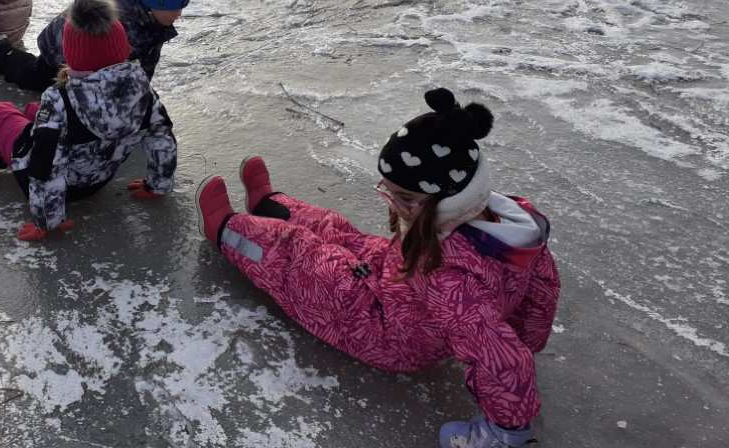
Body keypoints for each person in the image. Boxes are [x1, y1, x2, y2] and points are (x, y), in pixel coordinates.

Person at [194, 88, 560, 448]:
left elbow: (504, 361)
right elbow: (541, 291)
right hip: (398, 280)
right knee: (337, 231)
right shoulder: (511, 225)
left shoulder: (449, 279)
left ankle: (226, 229)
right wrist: (526, 339)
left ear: (447, 199)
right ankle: (270, 205)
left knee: (301, 258)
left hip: (383, 331)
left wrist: (504, 433)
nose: (392, 202)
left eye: (403, 197)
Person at [0, 0, 178, 240]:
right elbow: (162, 138)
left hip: (54, 187)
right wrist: (157, 185)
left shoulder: (60, 100)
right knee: (35, 113)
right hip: (96, 179)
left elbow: (45, 163)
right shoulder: (143, 91)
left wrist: (47, 220)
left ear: (71, 54)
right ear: (123, 46)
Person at [0, 0, 190, 90]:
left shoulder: (152, 18)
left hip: (88, 54)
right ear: (155, 3)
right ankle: (2, 55)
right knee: (37, 79)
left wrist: (142, 96)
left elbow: (147, 60)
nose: (179, 14)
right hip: (64, 46)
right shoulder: (124, 21)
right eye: (174, 8)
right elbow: (101, 69)